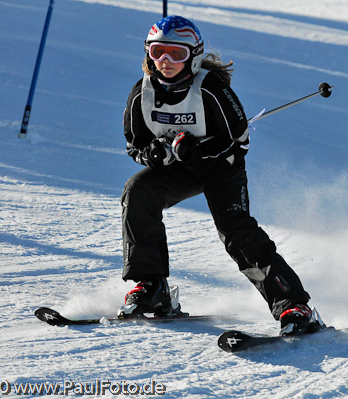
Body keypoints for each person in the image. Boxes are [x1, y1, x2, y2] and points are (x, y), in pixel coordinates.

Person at [118, 15, 322, 335]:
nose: (166, 61)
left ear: (194, 55)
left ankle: (293, 304)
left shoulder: (210, 89)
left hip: (221, 171)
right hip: (178, 172)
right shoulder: (141, 93)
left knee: (235, 230)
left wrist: (198, 150)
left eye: (177, 53)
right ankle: (152, 286)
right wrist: (154, 154)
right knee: (138, 191)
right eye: (158, 52)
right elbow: (135, 145)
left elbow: (238, 143)